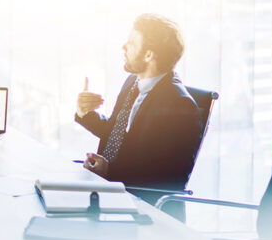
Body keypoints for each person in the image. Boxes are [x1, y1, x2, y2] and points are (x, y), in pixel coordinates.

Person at [75, 13, 203, 205]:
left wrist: (111, 172)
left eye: (132, 43)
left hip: (141, 208)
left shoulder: (180, 106)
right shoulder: (133, 82)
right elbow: (117, 134)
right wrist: (85, 114)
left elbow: (170, 178)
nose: (124, 47)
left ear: (149, 55)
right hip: (109, 193)